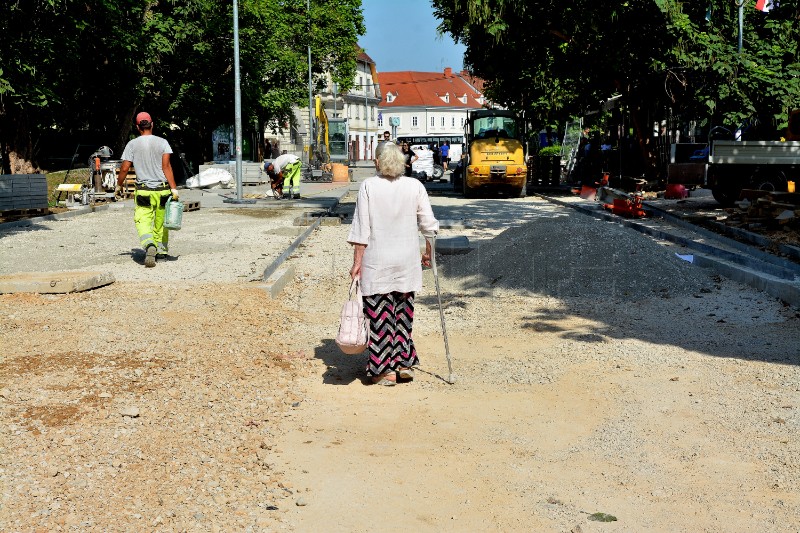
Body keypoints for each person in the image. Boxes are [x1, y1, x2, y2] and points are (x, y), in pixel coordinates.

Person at [348, 142, 439, 386]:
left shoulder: (368, 186)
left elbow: (361, 231)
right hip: (407, 262)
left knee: (379, 317)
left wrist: (357, 263)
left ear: (377, 162)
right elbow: (429, 226)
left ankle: (383, 370)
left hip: (378, 263)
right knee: (403, 315)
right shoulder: (415, 186)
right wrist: (428, 253)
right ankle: (403, 363)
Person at [116, 112, 178, 268]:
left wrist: (118, 185)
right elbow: (166, 167)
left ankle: (149, 244)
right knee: (162, 221)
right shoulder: (163, 142)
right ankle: (162, 253)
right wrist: (174, 189)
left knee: (143, 220)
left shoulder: (132, 144)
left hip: (144, 191)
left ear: (137, 127)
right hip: (163, 190)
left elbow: (124, 168)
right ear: (152, 124)